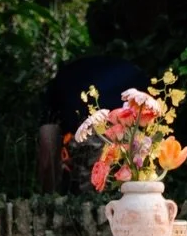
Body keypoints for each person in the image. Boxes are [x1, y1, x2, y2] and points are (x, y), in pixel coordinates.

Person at [37, 50, 145, 192]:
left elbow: (48, 138)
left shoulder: (65, 82)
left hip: (104, 128)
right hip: (91, 129)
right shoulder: (67, 84)